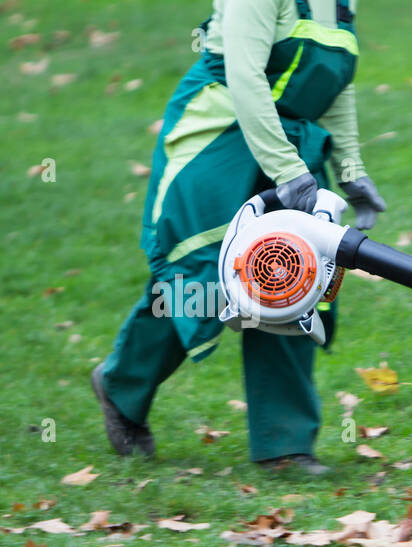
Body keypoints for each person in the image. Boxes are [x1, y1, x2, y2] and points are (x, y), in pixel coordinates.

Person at [92, 0, 385, 475]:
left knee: (293, 276)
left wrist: (351, 170)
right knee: (202, 282)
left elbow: (337, 85)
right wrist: (287, 170)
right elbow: (246, 78)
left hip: (287, 141)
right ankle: (121, 384)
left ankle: (284, 447)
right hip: (219, 134)